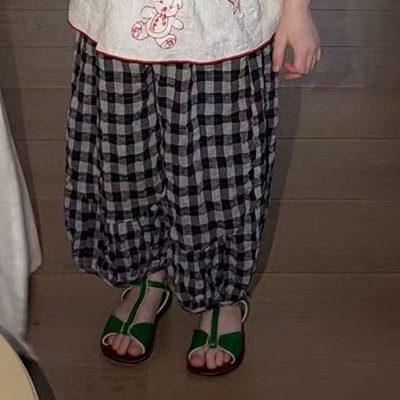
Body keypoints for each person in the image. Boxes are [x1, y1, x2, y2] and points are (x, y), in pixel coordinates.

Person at [65, 0, 320, 376]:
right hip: (120, 17)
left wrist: (298, 11)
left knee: (221, 164)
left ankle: (220, 295)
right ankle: (147, 273)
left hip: (223, 27)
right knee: (127, 157)